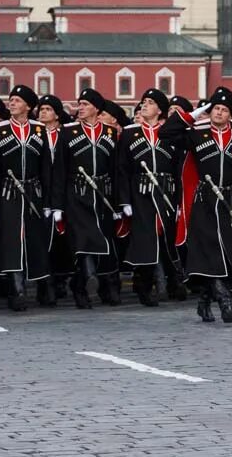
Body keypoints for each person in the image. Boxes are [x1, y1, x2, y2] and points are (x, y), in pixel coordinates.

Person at [163, 90, 232, 323]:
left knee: (226, 251)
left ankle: (204, 300)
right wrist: (194, 114)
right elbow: (166, 132)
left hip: (230, 202)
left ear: (230, 115)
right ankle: (224, 298)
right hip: (204, 201)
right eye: (215, 108)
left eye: (224, 110)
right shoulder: (197, 135)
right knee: (209, 250)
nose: (219, 112)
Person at [53, 88, 123, 309]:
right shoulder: (68, 132)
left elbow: (117, 170)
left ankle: (103, 283)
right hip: (77, 195)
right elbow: (59, 170)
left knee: (104, 240)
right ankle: (83, 282)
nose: (80, 108)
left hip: (103, 195)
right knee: (82, 240)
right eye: (79, 104)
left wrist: (121, 201)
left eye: (84, 104)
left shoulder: (110, 133)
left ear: (96, 108)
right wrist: (57, 205)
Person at [0, 85, 53, 311]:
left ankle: (38, 284)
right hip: (8, 194)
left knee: (33, 240)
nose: (12, 103)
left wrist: (48, 201)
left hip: (33, 193)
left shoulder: (39, 130)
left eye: (17, 100)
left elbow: (46, 167)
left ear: (28, 105)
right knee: (12, 241)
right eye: (11, 99)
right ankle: (17, 290)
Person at [116, 88, 184, 306]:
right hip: (141, 195)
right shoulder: (129, 133)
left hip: (166, 193)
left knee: (167, 238)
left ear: (160, 110)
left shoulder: (170, 132)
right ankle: (145, 285)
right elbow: (122, 170)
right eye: (143, 102)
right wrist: (125, 200)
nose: (144, 105)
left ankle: (173, 281)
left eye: (150, 103)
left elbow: (179, 169)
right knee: (146, 240)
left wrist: (180, 199)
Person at [37, 94, 71, 305]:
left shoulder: (65, 135)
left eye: (48, 109)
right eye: (41, 109)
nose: (43, 112)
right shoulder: (35, 134)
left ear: (57, 114)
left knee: (61, 239)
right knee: (42, 239)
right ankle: (44, 283)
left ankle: (61, 279)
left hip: (63, 192)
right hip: (40, 192)